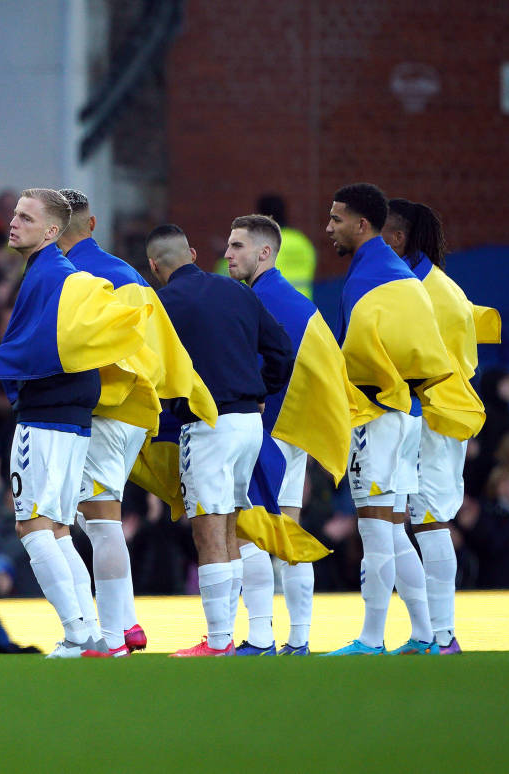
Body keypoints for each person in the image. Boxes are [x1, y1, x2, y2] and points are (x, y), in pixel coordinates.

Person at [0, 188, 157, 658]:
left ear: (52, 231)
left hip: (46, 419)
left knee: (34, 527)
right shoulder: (57, 274)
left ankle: (80, 634)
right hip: (71, 419)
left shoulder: (54, 276)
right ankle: (91, 635)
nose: (13, 222)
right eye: (15, 215)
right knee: (59, 528)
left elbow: (46, 346)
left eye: (25, 217)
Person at [56, 188, 216, 657]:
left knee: (100, 520)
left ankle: (115, 631)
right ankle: (124, 623)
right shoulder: (127, 274)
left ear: (51, 230)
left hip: (106, 408)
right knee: (97, 516)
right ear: (92, 224)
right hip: (137, 410)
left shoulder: (73, 277)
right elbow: (164, 350)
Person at [145, 224, 294, 657]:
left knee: (209, 531)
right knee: (231, 527)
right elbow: (282, 350)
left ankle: (217, 641)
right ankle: (235, 636)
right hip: (249, 424)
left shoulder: (161, 304)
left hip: (208, 425)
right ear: (191, 252)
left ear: (154, 266)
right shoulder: (239, 292)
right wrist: (261, 390)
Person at [322, 183, 452, 656]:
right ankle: (424, 635)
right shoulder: (395, 273)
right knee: (394, 529)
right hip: (405, 414)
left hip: (379, 415)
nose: (329, 227)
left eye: (336, 219)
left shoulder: (370, 277)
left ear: (362, 225)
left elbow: (359, 355)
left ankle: (371, 639)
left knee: (374, 528)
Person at [224, 214, 356, 655]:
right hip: (294, 430)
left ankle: (260, 637)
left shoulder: (257, 301)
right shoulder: (298, 302)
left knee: (253, 533)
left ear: (265, 252)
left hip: (268, 430)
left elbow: (254, 366)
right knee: (288, 532)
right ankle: (298, 640)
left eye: (237, 246)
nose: (228, 254)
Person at [382, 199, 499, 654]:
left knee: (430, 522)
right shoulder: (422, 284)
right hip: (425, 414)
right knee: (417, 521)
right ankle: (427, 633)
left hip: (437, 415)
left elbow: (454, 364)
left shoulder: (433, 292)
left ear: (397, 238)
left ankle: (443, 635)